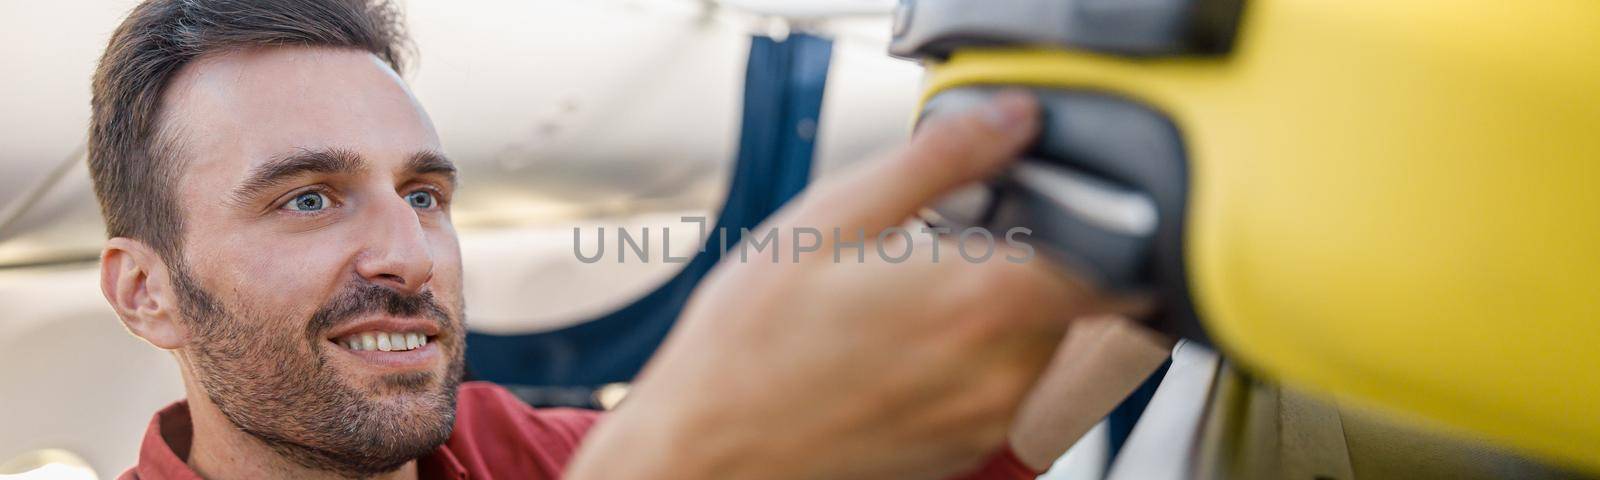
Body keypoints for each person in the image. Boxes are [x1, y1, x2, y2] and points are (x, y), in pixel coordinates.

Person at [90, 1, 1170, 478]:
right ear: (147, 292)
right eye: (308, 200)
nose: (410, 257)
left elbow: (945, 456)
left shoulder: (508, 450)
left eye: (424, 196)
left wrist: (1167, 259)